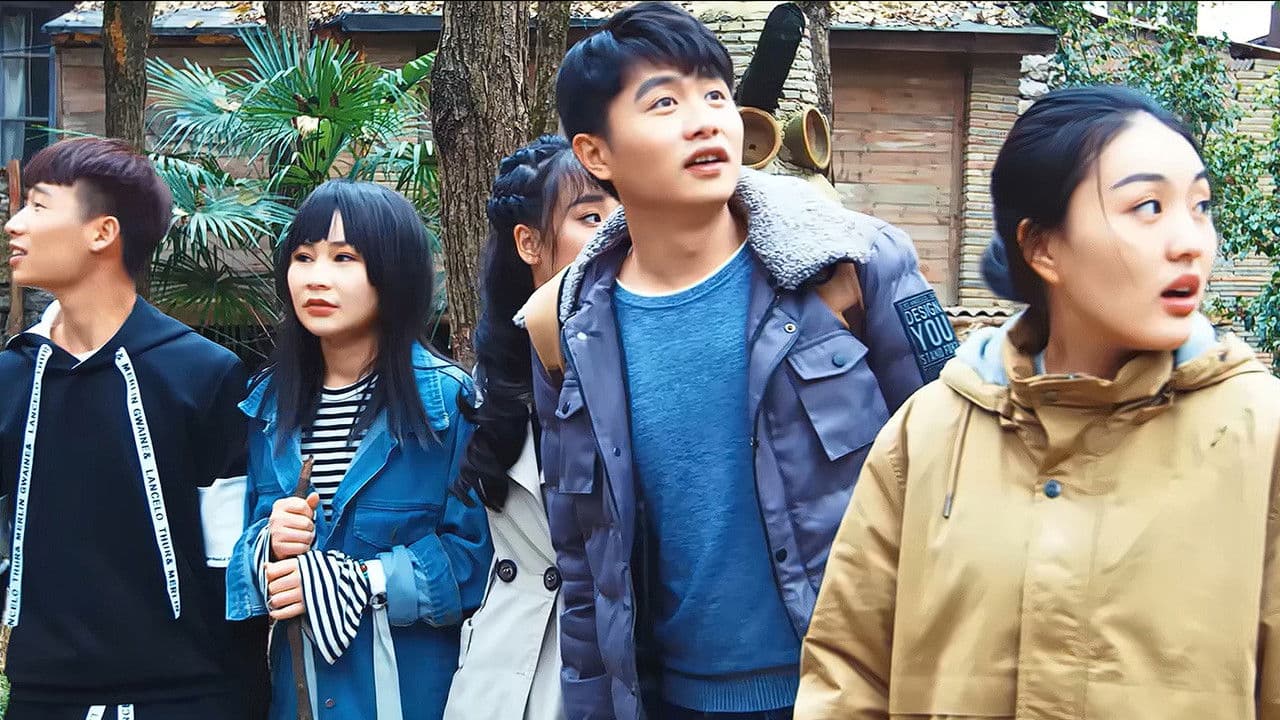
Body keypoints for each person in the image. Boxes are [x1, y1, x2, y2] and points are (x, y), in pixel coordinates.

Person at [522, 3, 951, 718]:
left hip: (858, 689)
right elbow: (583, 566)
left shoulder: (852, 265)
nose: (705, 122)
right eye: (665, 103)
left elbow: (957, 472)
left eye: (715, 95)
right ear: (596, 154)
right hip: (675, 700)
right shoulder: (564, 328)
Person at [796, 85, 1280, 719]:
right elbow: (848, 673)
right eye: (1148, 207)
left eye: (1200, 206)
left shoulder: (1260, 433)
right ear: (1042, 246)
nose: (1191, 241)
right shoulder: (931, 430)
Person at [0, 137, 267, 719]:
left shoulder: (202, 373)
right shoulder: (11, 377)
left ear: (103, 232)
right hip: (41, 699)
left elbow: (227, 561)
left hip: (185, 699)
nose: (14, 224)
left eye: (38, 206)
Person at [224, 179, 492, 720]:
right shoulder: (268, 404)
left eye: (344, 258)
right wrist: (269, 545)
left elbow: (479, 560)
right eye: (303, 257)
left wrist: (360, 582)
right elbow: (244, 546)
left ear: (394, 273)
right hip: (298, 697)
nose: (316, 278)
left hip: (411, 698)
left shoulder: (446, 404)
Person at [443, 135, 619, 720]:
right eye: (592, 217)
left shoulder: (650, 366)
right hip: (505, 672)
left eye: (627, 211)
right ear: (529, 243)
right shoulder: (486, 386)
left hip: (611, 665)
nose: (619, 232)